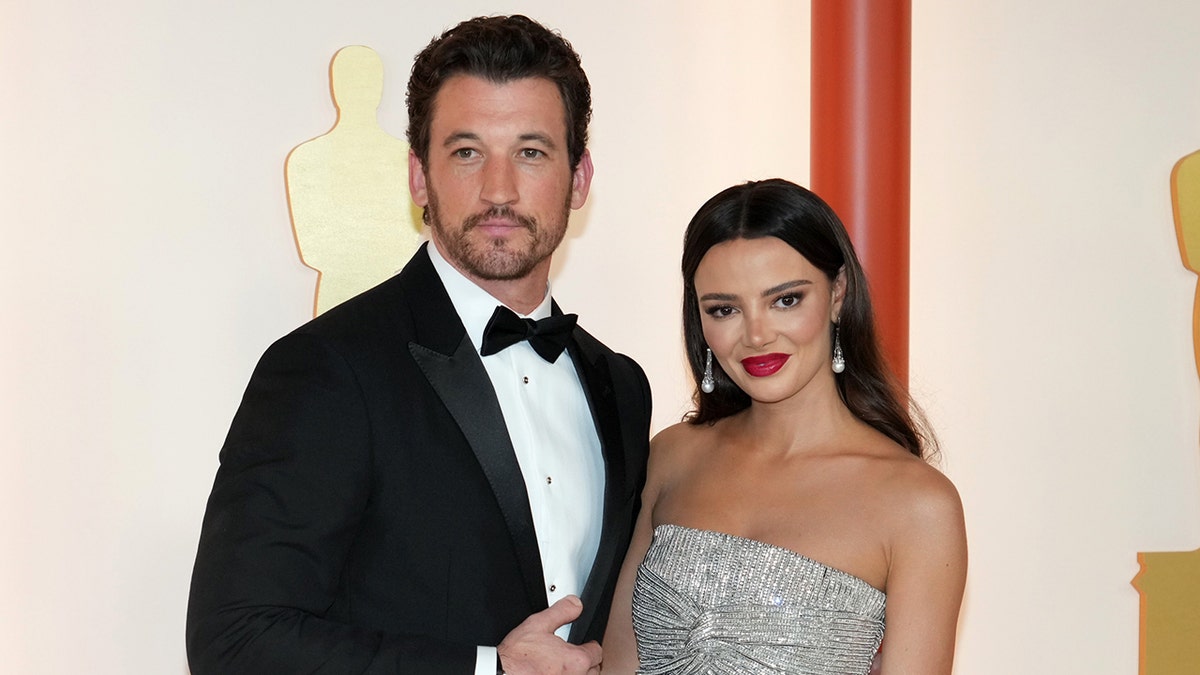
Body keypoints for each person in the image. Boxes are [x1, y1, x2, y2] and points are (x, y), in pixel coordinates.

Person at [186, 15, 651, 675]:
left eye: (531, 151)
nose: (498, 189)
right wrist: (488, 668)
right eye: (466, 152)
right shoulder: (325, 368)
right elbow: (235, 641)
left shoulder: (621, 385)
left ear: (578, 178)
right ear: (417, 176)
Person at [603, 179, 966, 674]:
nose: (756, 335)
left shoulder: (919, 506)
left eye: (786, 300)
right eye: (725, 309)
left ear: (837, 294)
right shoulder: (672, 455)